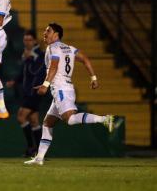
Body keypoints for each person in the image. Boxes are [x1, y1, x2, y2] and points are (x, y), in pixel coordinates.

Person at [24, 23, 115, 165]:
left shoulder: (53, 47)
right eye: (45, 31)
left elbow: (54, 67)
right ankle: (39, 158)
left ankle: (105, 119)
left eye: (48, 31)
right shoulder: (70, 48)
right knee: (47, 123)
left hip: (61, 89)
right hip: (62, 89)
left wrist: (45, 85)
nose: (44, 33)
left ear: (56, 35)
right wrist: (94, 78)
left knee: (70, 120)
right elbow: (85, 59)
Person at [6, 30, 46, 157]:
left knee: (21, 117)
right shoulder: (27, 54)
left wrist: (29, 58)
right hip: (28, 91)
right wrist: (14, 81)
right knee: (34, 121)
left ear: (35, 41)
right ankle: (39, 151)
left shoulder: (40, 55)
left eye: (29, 40)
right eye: (25, 40)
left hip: (35, 91)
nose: (27, 42)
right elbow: (24, 72)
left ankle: (31, 148)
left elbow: (35, 72)